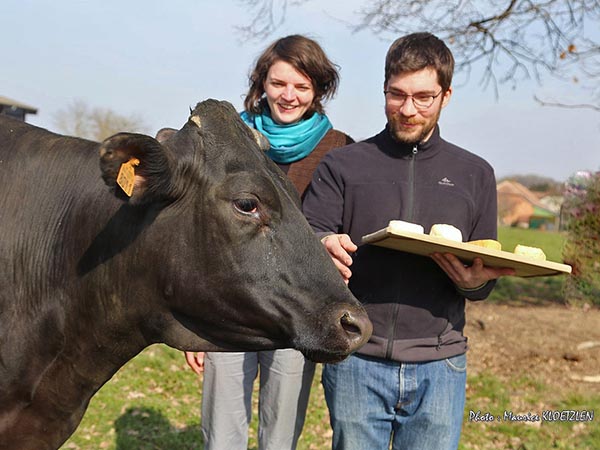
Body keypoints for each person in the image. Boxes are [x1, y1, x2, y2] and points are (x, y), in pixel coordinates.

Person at [301, 32, 515, 450]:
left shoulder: (475, 173)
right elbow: (310, 236)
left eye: (423, 97)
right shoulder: (342, 165)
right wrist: (322, 244)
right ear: (384, 88)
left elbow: (484, 270)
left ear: (446, 95)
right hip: (356, 358)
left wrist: (475, 284)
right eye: (396, 95)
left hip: (441, 364)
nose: (407, 109)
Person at [184, 34, 353, 450]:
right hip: (229, 305)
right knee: (221, 433)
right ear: (261, 84)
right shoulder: (225, 140)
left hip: (298, 306)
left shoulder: (339, 149)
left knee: (280, 434)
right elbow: (199, 231)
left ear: (318, 91)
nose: (289, 95)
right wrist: (195, 318)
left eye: (302, 86)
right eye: (279, 83)